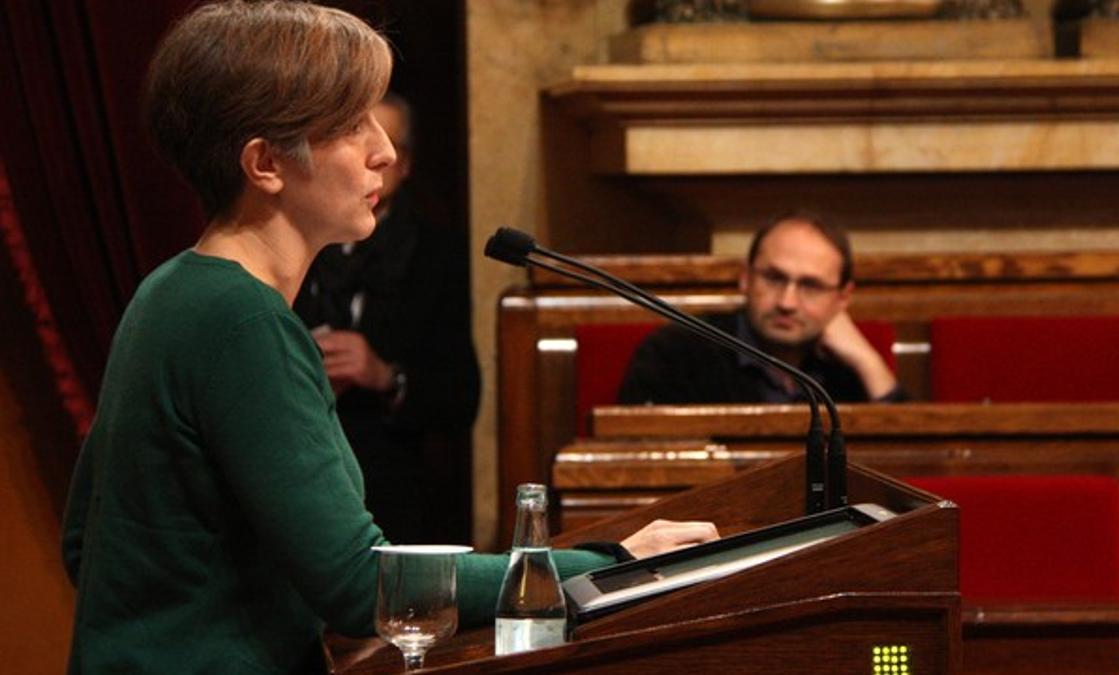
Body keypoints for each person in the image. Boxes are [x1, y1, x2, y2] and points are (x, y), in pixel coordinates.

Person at [60, 3, 717, 673]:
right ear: (264, 163)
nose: (385, 150)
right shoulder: (241, 319)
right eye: (351, 124)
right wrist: (615, 562)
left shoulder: (169, 290)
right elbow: (361, 585)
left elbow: (87, 543)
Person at [292, 93, 479, 544]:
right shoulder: (295, 237)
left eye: (389, 150)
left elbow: (460, 396)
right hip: (300, 464)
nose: (375, 162)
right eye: (355, 145)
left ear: (406, 162)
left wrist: (385, 375)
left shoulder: (436, 254)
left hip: (392, 478)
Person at [618, 214, 905, 405]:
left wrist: (868, 362)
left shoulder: (847, 372)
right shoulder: (677, 353)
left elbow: (913, 466)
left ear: (842, 298)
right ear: (746, 278)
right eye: (774, 278)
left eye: (811, 286)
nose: (787, 303)